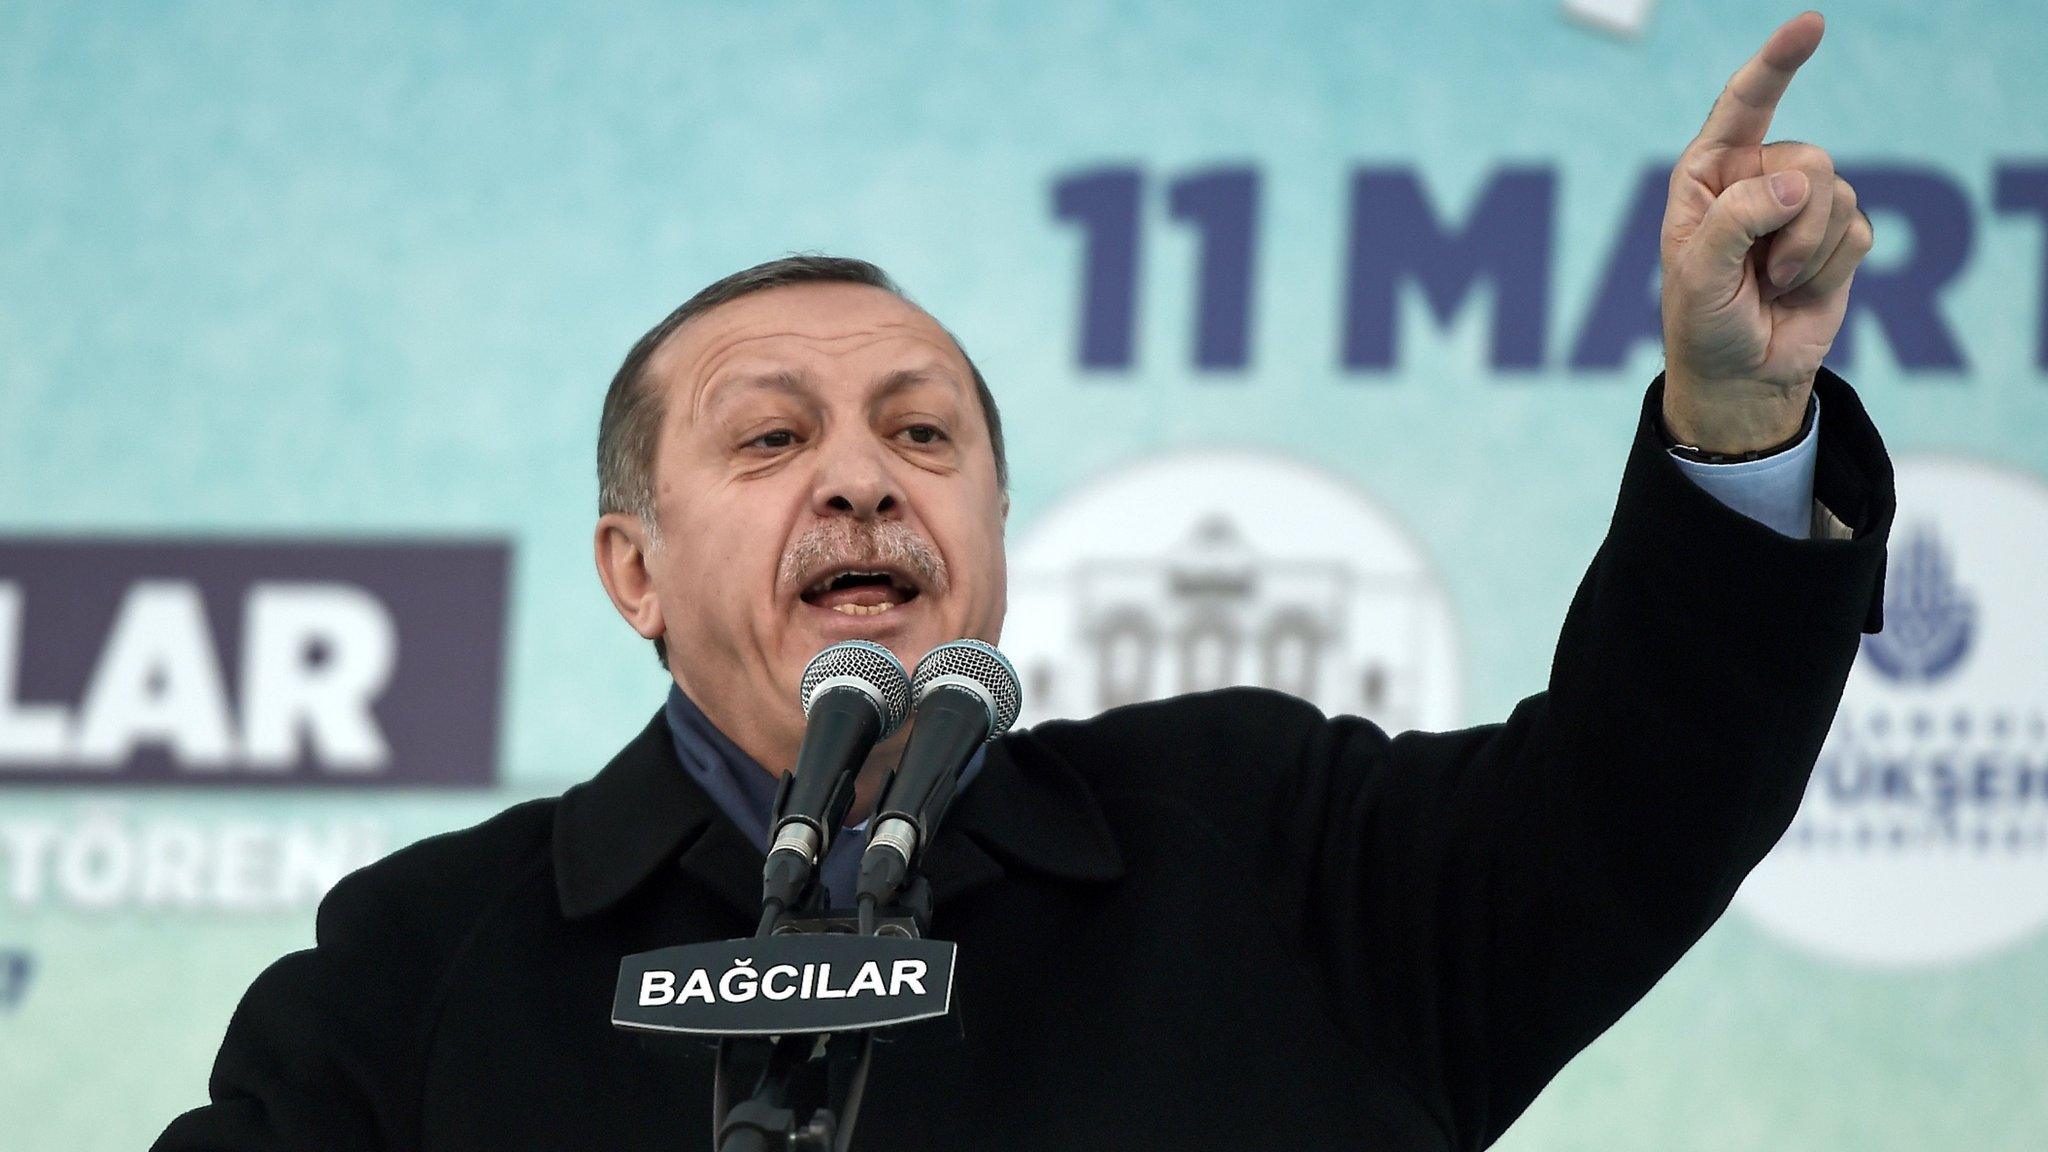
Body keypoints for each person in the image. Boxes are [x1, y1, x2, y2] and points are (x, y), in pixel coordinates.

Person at [156, 12, 1889, 1150]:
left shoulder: (1265, 848)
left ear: (987, 534)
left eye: (921, 437)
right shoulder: (423, 961)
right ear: (635, 571)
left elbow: (1636, 804)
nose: (858, 475)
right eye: (768, 443)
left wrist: (1738, 420)